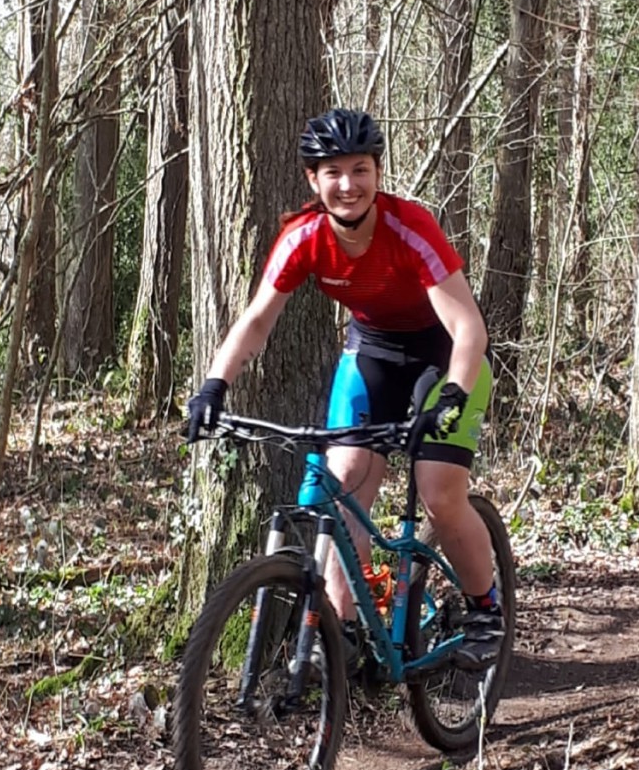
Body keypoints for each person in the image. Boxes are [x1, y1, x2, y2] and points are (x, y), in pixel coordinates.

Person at [187, 107, 503, 670]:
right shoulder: (303, 237)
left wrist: (454, 392)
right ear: (314, 180)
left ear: (377, 174)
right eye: (333, 172)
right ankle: (346, 632)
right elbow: (257, 320)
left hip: (446, 355)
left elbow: (468, 328)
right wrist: (215, 384)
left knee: (438, 492)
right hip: (375, 353)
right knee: (343, 485)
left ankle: (485, 610)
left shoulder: (409, 227)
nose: (348, 184)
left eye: (360, 170)